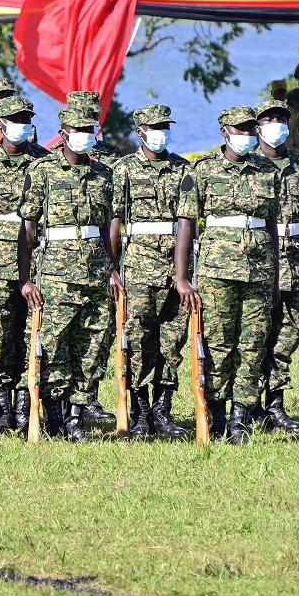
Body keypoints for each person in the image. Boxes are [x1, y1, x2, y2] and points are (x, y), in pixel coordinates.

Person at [175, 105, 282, 444]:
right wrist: (182, 277)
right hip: (216, 272)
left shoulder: (267, 169)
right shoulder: (202, 171)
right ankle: (217, 415)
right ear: (224, 131)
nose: (248, 134)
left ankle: (242, 418)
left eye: (252, 128)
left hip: (260, 271)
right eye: (240, 129)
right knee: (218, 344)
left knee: (253, 345)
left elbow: (273, 228)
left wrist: (276, 277)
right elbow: (187, 226)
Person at [19, 104, 119, 442]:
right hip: (57, 275)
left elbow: (106, 229)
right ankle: (54, 418)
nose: (85, 137)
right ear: (62, 134)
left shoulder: (103, 175)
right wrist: (26, 278)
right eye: (78, 131)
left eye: (90, 131)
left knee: (91, 346)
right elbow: (28, 232)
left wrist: (113, 269)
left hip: (95, 272)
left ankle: (76, 418)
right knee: (54, 345)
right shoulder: (42, 171)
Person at [114, 103, 190, 438]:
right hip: (139, 269)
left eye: (166, 126)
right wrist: (113, 269)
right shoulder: (124, 170)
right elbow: (114, 222)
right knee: (139, 339)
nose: (162, 132)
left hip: (175, 271)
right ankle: (140, 411)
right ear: (140, 131)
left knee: (172, 342)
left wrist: (186, 273)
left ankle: (163, 410)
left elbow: (190, 224)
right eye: (155, 126)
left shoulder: (182, 170)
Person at [0, 92, 44, 435]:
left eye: (27, 120)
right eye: (15, 120)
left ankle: (26, 405)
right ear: (0, 123)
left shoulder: (44, 163)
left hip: (35, 263)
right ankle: (2, 407)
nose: (22, 126)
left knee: (32, 335)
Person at [258, 98, 299, 433]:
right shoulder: (249, 164)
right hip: (257, 262)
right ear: (257, 126)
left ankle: (275, 404)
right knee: (255, 335)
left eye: (281, 118)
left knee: (286, 335)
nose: (276, 124)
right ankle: (249, 403)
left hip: (293, 260)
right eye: (269, 119)